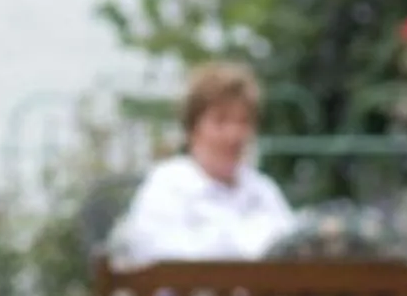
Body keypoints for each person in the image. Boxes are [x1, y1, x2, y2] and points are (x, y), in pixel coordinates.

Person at [108, 61, 294, 267]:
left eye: (243, 121)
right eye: (221, 121)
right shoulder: (167, 186)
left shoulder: (263, 189)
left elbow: (293, 250)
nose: (234, 134)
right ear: (192, 129)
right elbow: (163, 258)